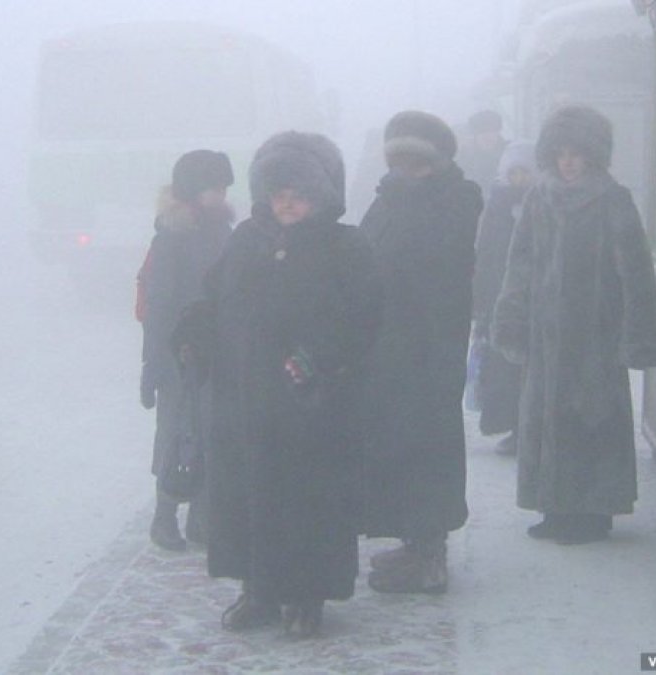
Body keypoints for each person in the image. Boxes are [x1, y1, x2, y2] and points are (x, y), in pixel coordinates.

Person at [184, 132, 381, 637]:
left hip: (312, 405)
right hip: (246, 400)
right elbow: (216, 298)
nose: (286, 205)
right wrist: (194, 332)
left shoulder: (345, 246)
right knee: (249, 497)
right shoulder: (246, 240)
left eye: (298, 194)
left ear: (320, 196)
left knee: (309, 502)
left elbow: (363, 320)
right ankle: (259, 590)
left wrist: (320, 359)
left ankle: (308, 595)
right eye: (278, 194)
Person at [491, 105, 656, 545]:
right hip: (546, 334)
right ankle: (554, 505)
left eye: (577, 154)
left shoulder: (612, 199)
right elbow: (521, 263)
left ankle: (592, 508)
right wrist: (511, 317)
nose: (568, 162)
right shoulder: (538, 197)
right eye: (561, 153)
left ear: (592, 155)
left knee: (592, 419)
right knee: (546, 418)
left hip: (596, 335)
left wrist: (636, 334)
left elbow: (636, 274)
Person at [360, 111, 483, 594]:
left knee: (427, 449)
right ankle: (414, 543)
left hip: (427, 349)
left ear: (437, 162)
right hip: (389, 349)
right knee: (397, 449)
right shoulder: (390, 200)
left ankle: (430, 552)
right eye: (399, 163)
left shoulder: (452, 202)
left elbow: (433, 273)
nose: (406, 172)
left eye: (417, 163)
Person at [138, 150, 234, 551]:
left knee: (211, 432)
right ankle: (164, 518)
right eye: (216, 187)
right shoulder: (173, 237)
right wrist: (153, 364)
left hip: (213, 351)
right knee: (177, 433)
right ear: (196, 190)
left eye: (225, 187)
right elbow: (158, 305)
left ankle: (200, 518)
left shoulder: (221, 231)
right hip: (178, 355)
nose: (223, 194)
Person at [472, 141, 537, 455]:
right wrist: (483, 304)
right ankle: (513, 427)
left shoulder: (543, 205)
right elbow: (484, 254)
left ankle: (531, 428)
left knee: (531, 370)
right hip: (501, 298)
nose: (520, 179)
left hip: (535, 300)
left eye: (525, 172)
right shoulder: (495, 207)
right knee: (504, 369)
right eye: (514, 173)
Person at [456, 109, 509, 194]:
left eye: (492, 131)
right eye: (483, 132)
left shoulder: (510, 155)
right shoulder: (463, 157)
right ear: (475, 134)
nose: (488, 136)